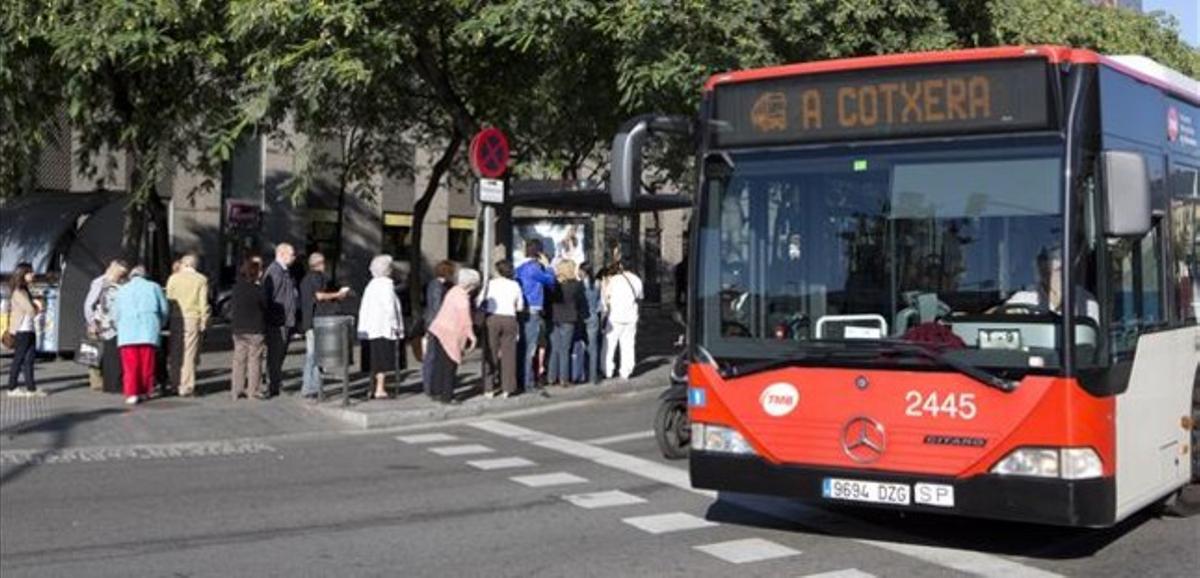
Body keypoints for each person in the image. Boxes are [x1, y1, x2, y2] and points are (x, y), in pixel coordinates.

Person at [298, 252, 350, 400]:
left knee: (312, 354)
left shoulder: (306, 279)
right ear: (319, 263)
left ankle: (312, 386)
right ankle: (311, 387)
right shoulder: (316, 277)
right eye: (323, 262)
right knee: (314, 355)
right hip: (316, 321)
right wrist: (337, 295)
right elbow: (319, 296)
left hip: (309, 320)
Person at [113, 266, 168, 405]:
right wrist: (161, 323)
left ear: (131, 276)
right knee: (146, 364)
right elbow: (164, 309)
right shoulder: (154, 287)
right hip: (148, 329)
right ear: (145, 276)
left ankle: (132, 393)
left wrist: (118, 326)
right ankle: (144, 391)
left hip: (127, 332)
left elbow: (116, 313)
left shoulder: (122, 289)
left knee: (130, 365)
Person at [1004, 246, 1100, 323]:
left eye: (1060, 270)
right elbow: (999, 317)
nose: (1052, 276)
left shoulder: (1085, 301)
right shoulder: (1025, 298)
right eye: (1046, 271)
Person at [426, 268, 480, 404]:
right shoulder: (463, 298)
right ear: (471, 285)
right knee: (450, 365)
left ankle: (435, 391)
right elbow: (465, 320)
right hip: (450, 333)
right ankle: (447, 396)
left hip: (438, 329)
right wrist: (472, 336)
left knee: (439, 362)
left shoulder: (453, 291)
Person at [357, 255, 404, 400]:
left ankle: (372, 387)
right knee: (381, 359)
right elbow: (389, 307)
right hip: (383, 327)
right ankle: (379, 388)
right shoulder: (386, 285)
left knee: (373, 359)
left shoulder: (371, 284)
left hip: (370, 328)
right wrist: (396, 325)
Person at [165, 253, 209, 397]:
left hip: (176, 317)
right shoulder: (201, 280)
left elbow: (168, 299)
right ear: (195, 265)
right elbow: (204, 303)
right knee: (190, 353)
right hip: (192, 317)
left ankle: (174, 383)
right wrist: (204, 320)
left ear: (184, 264)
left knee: (176, 351)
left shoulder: (173, 278)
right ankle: (187, 386)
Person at [515, 239, 556, 395]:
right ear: (539, 252)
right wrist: (548, 266)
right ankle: (528, 382)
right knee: (530, 347)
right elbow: (551, 281)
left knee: (521, 346)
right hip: (533, 309)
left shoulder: (519, 268)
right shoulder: (535, 268)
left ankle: (519, 378)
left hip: (522, 309)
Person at [479, 260, 523, 398]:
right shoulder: (515, 285)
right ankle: (507, 388)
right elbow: (520, 306)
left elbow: (480, 300)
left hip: (492, 318)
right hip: (510, 318)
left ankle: (489, 388)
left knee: (490, 353)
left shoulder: (491, 284)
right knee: (509, 354)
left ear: (498, 271)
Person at [83, 259, 126, 391]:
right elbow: (89, 304)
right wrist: (92, 323)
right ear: (112, 268)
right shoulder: (99, 282)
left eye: (122, 275)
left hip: (113, 325)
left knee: (105, 353)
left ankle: (104, 379)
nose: (120, 277)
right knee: (94, 353)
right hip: (99, 323)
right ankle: (95, 381)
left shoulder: (120, 284)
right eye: (119, 274)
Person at [263, 243, 298, 396]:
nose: (294, 257)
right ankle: (273, 384)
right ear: (282, 254)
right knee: (275, 353)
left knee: (280, 353)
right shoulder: (275, 271)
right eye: (292, 254)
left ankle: (274, 381)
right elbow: (269, 297)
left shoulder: (285, 271)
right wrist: (275, 316)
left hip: (285, 319)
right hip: (277, 321)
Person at [230, 259, 267, 400]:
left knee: (238, 359)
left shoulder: (236, 288)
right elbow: (265, 306)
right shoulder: (258, 289)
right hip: (255, 328)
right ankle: (253, 390)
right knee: (254, 360)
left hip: (238, 328)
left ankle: (236, 389)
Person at [6, 263, 44, 398]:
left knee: (29, 360)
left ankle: (31, 388)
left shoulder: (26, 290)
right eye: (30, 273)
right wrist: (38, 307)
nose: (32, 275)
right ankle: (12, 388)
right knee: (19, 359)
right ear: (23, 274)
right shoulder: (18, 291)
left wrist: (36, 306)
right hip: (22, 330)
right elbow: (30, 310)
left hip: (30, 329)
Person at [602, 260, 643, 381]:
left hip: (615, 316)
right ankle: (626, 371)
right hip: (631, 315)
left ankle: (607, 370)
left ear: (621, 266)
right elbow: (640, 298)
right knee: (628, 344)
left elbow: (606, 297)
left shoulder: (614, 280)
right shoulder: (637, 280)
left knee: (609, 345)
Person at [421, 260, 456, 390]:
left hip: (435, 323)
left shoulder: (440, 285)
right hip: (436, 324)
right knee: (433, 354)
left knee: (434, 354)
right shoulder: (437, 286)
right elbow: (437, 307)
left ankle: (433, 383)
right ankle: (430, 384)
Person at [547, 260, 583, 387]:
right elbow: (580, 302)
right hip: (569, 319)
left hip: (554, 318)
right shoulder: (577, 285)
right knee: (565, 349)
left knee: (555, 349)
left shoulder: (554, 285)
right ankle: (564, 378)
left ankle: (551, 377)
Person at [579, 263, 603, 384]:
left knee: (581, 346)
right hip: (593, 316)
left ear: (583, 272)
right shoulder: (598, 283)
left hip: (582, 317)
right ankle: (593, 376)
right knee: (593, 347)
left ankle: (583, 372)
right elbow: (600, 303)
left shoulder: (580, 284)